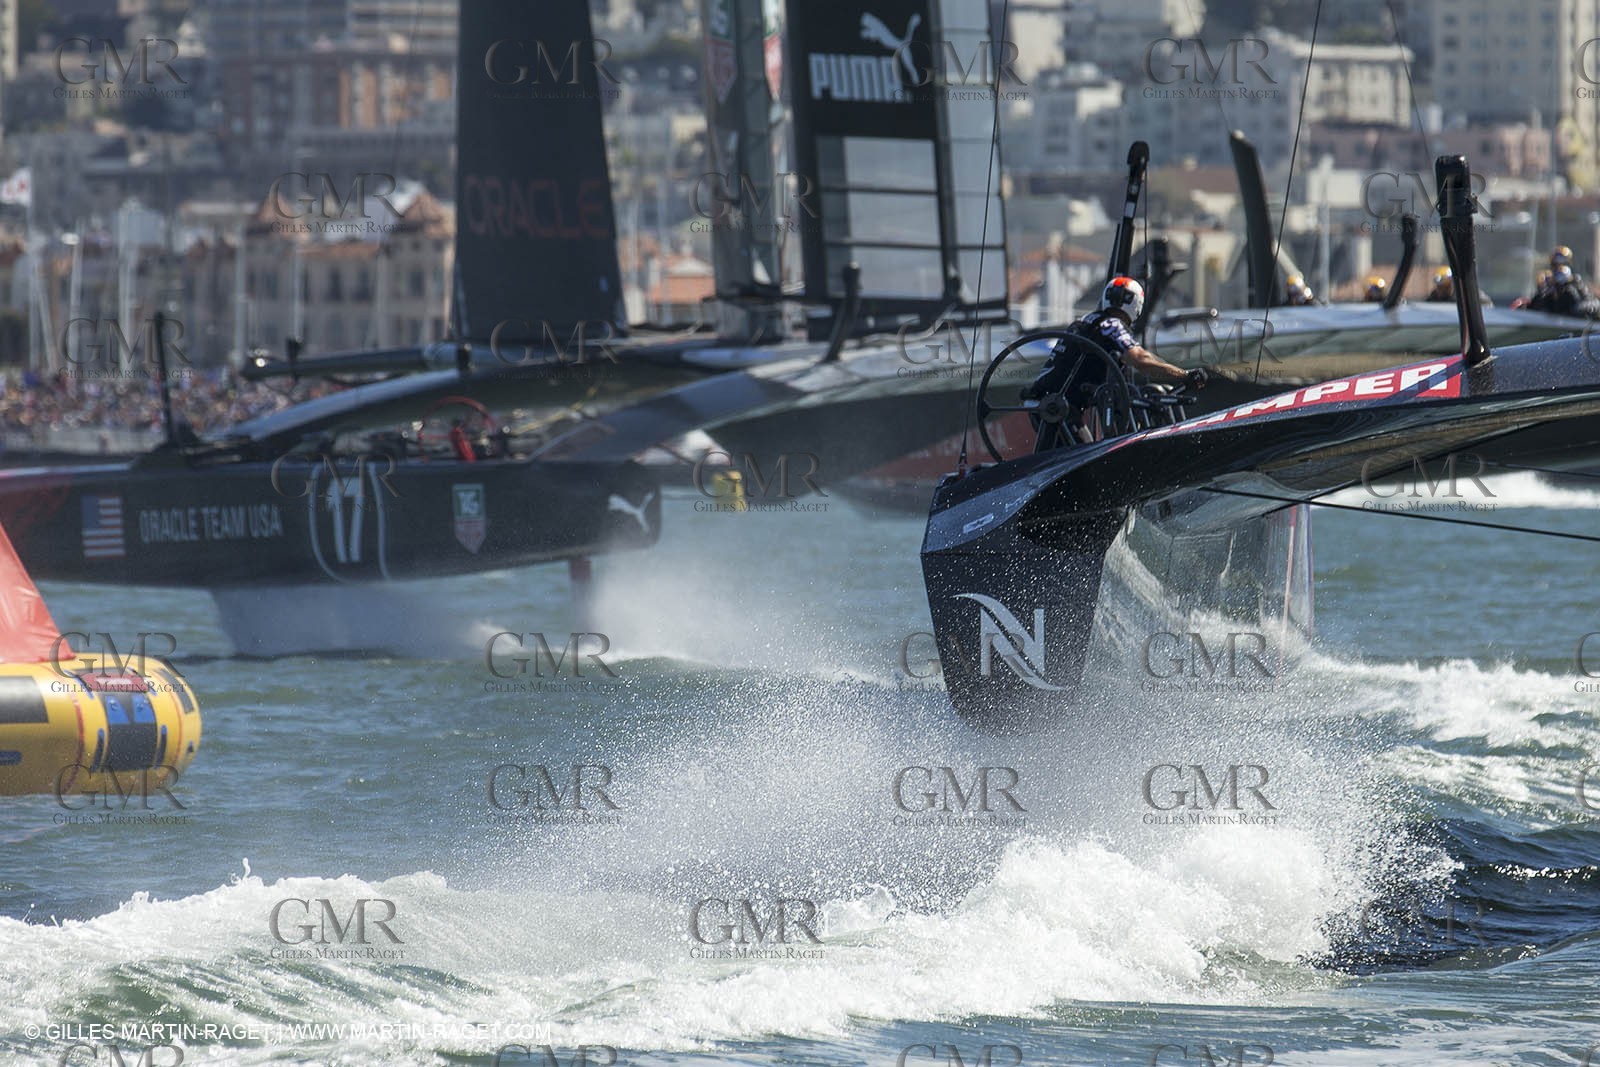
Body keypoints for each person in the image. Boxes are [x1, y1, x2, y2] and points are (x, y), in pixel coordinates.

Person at [1024, 276, 1205, 449]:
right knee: (1085, 461)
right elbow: (1141, 360)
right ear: (1137, 306)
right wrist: (1185, 375)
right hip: (1058, 409)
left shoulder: (1086, 321)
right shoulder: (1112, 325)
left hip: (1043, 403)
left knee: (1083, 450)